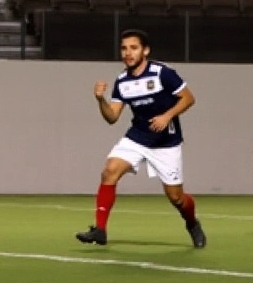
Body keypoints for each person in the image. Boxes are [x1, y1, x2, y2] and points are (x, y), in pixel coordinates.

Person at [76, 29, 207, 249]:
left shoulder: (162, 73)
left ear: (145, 50)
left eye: (133, 48)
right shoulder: (121, 81)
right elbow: (112, 117)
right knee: (110, 170)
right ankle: (100, 230)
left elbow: (189, 98)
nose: (128, 53)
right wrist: (100, 100)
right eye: (124, 48)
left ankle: (192, 223)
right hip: (137, 137)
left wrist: (167, 116)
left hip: (166, 141)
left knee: (176, 198)